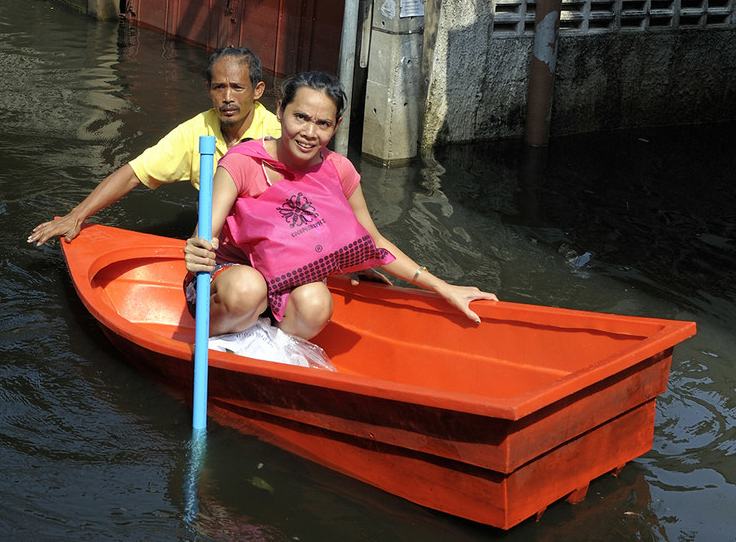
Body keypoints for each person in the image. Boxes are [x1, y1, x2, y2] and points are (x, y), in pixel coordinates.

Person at [184, 71, 498, 341]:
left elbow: (373, 241)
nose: (309, 133)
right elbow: (204, 236)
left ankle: (268, 347)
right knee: (247, 287)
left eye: (323, 123)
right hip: (225, 284)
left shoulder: (338, 169)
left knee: (316, 303)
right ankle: (220, 342)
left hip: (286, 280)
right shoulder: (241, 162)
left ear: (337, 126)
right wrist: (198, 249)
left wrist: (443, 288)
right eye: (301, 117)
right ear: (280, 111)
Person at [27, 46, 282, 246]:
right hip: (215, 235)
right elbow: (134, 173)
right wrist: (76, 216)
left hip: (267, 231)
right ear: (208, 90)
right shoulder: (195, 130)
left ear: (257, 91)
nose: (228, 98)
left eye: (237, 88)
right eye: (219, 88)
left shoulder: (278, 134)